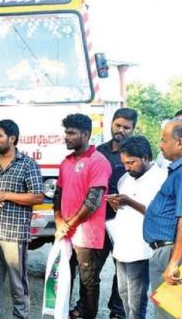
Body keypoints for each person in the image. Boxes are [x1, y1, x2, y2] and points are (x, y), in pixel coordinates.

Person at [0, 120, 44, 319]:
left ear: (12, 138)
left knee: (18, 283)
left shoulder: (27, 164)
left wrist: (5, 195)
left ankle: (20, 316)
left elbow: (37, 196)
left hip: (14, 234)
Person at [75, 108, 137, 319]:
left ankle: (117, 311)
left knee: (121, 270)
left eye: (126, 127)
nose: (121, 130)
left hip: (125, 222)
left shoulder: (137, 151)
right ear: (111, 124)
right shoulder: (98, 152)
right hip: (98, 222)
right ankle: (83, 307)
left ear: (133, 129)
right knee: (90, 270)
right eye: (118, 125)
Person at [54, 114, 112, 319]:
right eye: (66, 132)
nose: (66, 137)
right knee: (64, 277)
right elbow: (58, 193)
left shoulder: (98, 161)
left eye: (71, 133)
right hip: (66, 231)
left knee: (88, 282)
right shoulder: (66, 161)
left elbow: (93, 201)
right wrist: (59, 220)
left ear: (86, 134)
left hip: (87, 235)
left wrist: (68, 224)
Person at [106, 136, 166, 319]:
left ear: (146, 158)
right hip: (123, 244)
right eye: (124, 163)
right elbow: (124, 204)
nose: (127, 167)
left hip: (141, 248)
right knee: (123, 293)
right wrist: (116, 203)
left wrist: (129, 202)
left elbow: (157, 213)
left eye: (131, 162)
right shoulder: (126, 177)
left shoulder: (160, 178)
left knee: (136, 299)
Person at [143, 118, 182, 318]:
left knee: (172, 313)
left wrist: (173, 263)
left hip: (175, 253)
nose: (160, 145)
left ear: (180, 142)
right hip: (171, 251)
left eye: (164, 140)